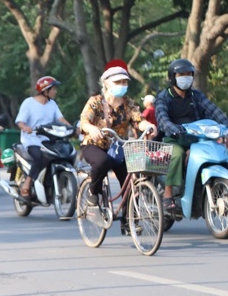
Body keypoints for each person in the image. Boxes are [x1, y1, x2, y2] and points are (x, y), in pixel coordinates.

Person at [78, 62, 156, 233]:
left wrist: (147, 125)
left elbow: (138, 119)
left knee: (130, 178)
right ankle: (93, 195)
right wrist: (92, 129)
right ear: (106, 83)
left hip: (118, 146)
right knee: (102, 161)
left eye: (124, 82)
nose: (122, 86)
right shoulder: (96, 102)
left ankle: (129, 222)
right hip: (94, 144)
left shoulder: (128, 103)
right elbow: (84, 121)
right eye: (118, 82)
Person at [152, 58, 228, 213]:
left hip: (198, 138)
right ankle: (168, 194)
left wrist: (226, 126)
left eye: (189, 74)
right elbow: (162, 119)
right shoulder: (164, 97)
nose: (185, 77)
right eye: (181, 74)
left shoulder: (196, 96)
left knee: (219, 151)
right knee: (178, 155)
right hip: (174, 138)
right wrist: (175, 129)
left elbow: (214, 111)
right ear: (173, 77)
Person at [14, 76, 73, 200]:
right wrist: (25, 127)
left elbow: (61, 119)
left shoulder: (52, 104)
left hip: (48, 140)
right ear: (45, 90)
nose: (55, 92)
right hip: (32, 140)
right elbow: (20, 121)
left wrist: (72, 128)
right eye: (53, 89)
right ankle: (27, 184)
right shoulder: (29, 102)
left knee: (66, 153)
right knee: (39, 157)